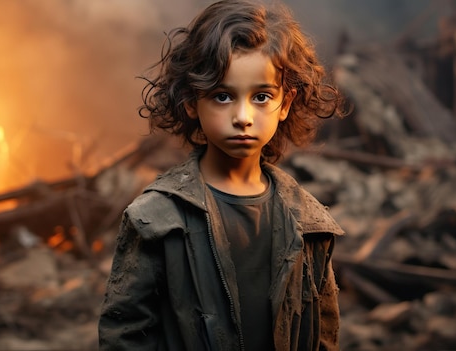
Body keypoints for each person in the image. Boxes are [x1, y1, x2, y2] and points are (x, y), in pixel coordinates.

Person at [98, 0, 346, 350]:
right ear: (190, 102)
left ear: (286, 103)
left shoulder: (310, 225)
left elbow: (324, 337)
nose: (243, 116)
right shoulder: (156, 219)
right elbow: (124, 335)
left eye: (261, 97)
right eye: (222, 96)